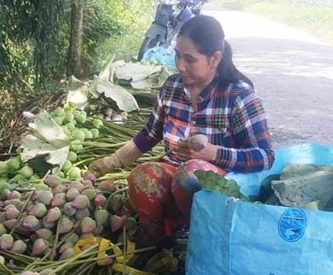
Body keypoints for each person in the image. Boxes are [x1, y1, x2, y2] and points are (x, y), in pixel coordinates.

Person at [89, 15, 274, 248]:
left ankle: (207, 243)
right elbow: (149, 135)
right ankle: (162, 242)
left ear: (214, 59)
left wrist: (214, 153)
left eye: (189, 59)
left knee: (189, 174)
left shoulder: (239, 97)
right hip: (176, 178)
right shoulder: (172, 87)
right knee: (142, 176)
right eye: (177, 55)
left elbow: (265, 156)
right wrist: (109, 162)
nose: (179, 65)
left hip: (221, 189)